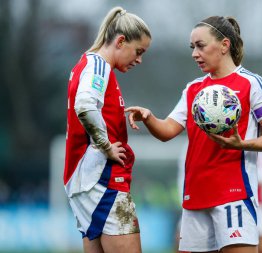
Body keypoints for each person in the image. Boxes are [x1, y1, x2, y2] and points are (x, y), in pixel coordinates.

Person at [125, 15, 262, 253]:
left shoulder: (252, 84)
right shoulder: (193, 89)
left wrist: (242, 145)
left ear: (224, 45)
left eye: (200, 46)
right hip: (196, 197)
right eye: (192, 47)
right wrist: (149, 118)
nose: (194, 54)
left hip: (234, 195)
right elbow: (168, 130)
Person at [63, 7, 151, 253]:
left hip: (88, 179)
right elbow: (85, 105)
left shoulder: (86, 64)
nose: (140, 59)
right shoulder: (99, 66)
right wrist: (105, 145)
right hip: (103, 180)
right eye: (138, 51)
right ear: (120, 41)